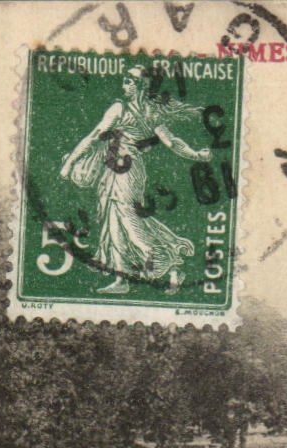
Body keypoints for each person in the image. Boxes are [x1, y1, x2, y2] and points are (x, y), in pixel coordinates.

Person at [58, 67, 211, 294]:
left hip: (127, 172)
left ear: (141, 86)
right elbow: (171, 142)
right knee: (113, 222)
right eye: (125, 81)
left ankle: (168, 267)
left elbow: (95, 136)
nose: (124, 86)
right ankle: (122, 279)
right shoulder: (146, 111)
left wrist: (70, 163)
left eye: (129, 82)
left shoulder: (125, 109)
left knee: (129, 220)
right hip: (116, 170)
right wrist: (196, 154)